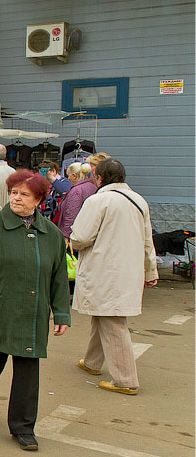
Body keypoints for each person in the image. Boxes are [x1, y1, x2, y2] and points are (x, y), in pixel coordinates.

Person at [0, 169, 70, 451]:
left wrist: (62, 313)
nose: (17, 199)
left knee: (28, 370)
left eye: (24, 195)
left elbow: (58, 277)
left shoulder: (51, 234)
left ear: (39, 200)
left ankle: (23, 427)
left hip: (32, 314)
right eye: (14, 193)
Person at [70, 159, 157, 396]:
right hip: (129, 270)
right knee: (104, 314)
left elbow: (80, 237)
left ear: (99, 178)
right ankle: (92, 362)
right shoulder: (139, 200)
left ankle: (125, 379)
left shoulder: (98, 200)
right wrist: (151, 271)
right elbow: (148, 239)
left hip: (104, 269)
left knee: (112, 320)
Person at [56, 162, 97, 241]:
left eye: (68, 176)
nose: (68, 179)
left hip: (76, 237)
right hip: (89, 233)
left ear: (74, 176)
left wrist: (66, 236)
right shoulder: (92, 186)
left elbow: (71, 215)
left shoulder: (76, 191)